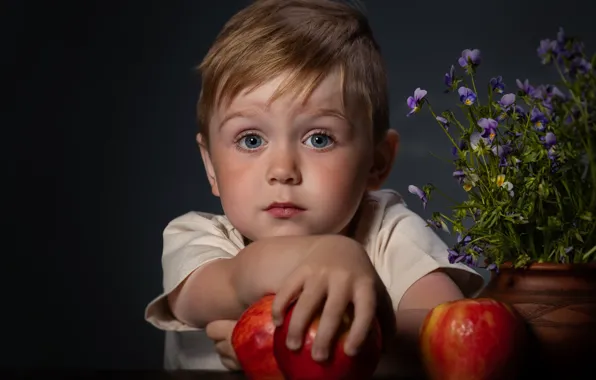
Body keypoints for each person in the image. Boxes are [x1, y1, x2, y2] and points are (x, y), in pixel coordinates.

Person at [144, 0, 484, 373]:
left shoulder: (388, 232)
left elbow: (451, 329)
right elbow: (230, 282)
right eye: (251, 140)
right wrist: (331, 253)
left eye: (319, 139)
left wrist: (354, 326)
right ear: (210, 165)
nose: (283, 170)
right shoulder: (196, 238)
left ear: (377, 162)